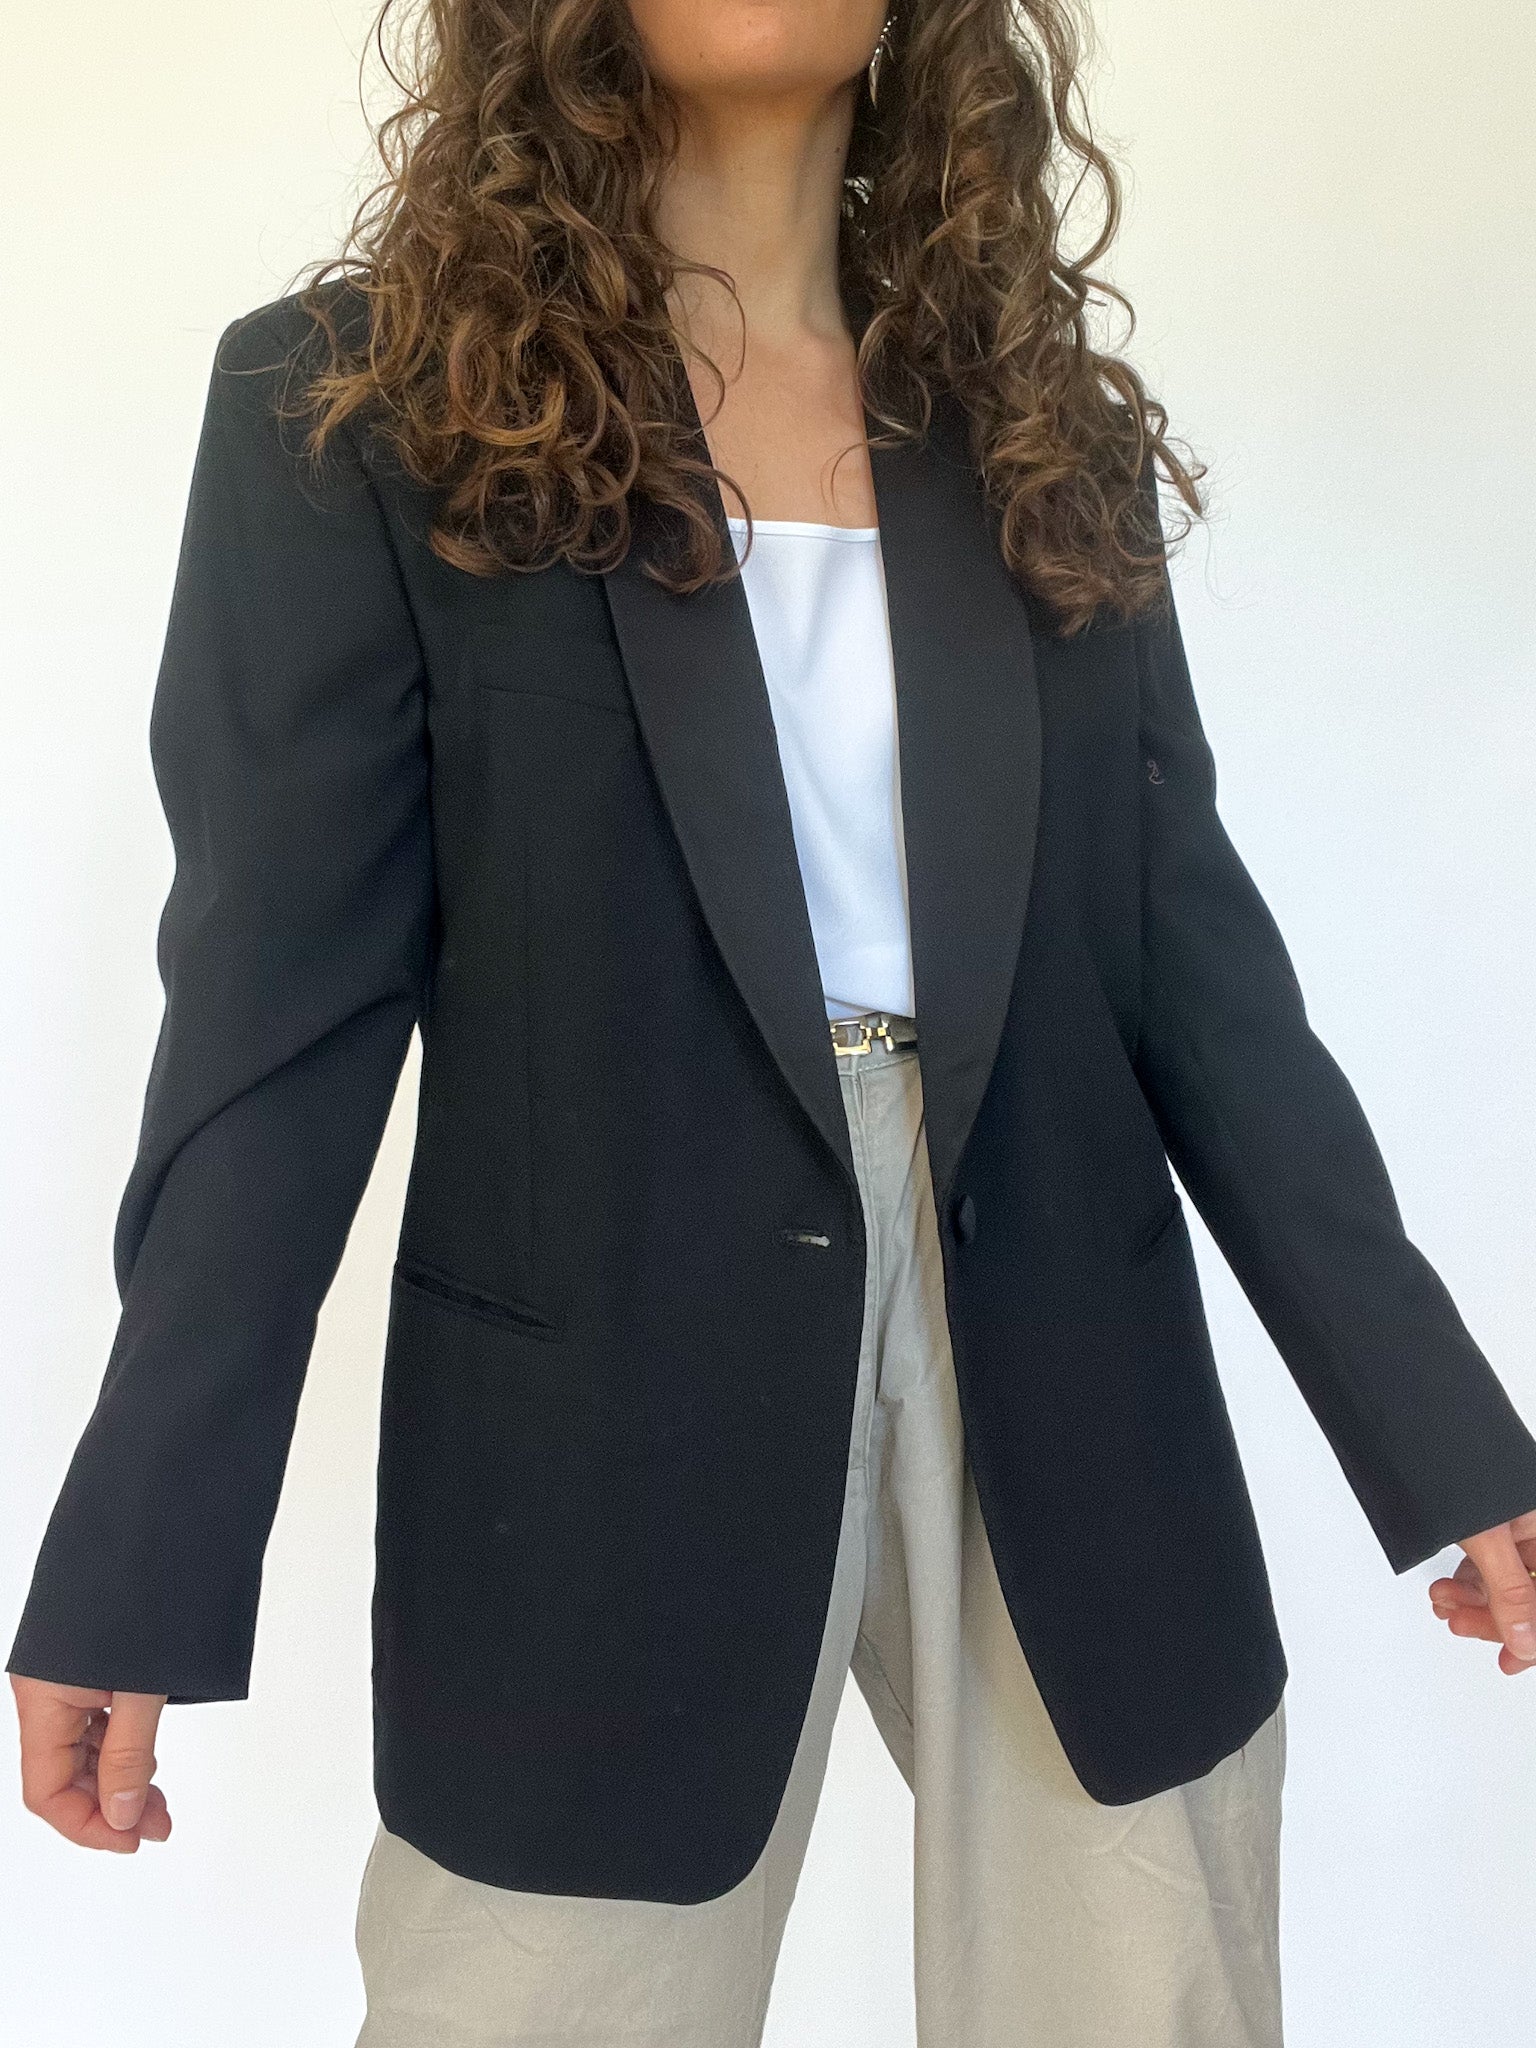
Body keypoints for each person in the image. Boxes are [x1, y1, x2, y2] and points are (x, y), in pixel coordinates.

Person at [10, 1, 1536, 2042]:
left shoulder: (1034, 422)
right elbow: (277, 1029)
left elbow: (1189, 957)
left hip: (1065, 1340)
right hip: (603, 1377)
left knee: (1145, 1980)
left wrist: (1435, 1420)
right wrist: (141, 1544)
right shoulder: (362, 403)